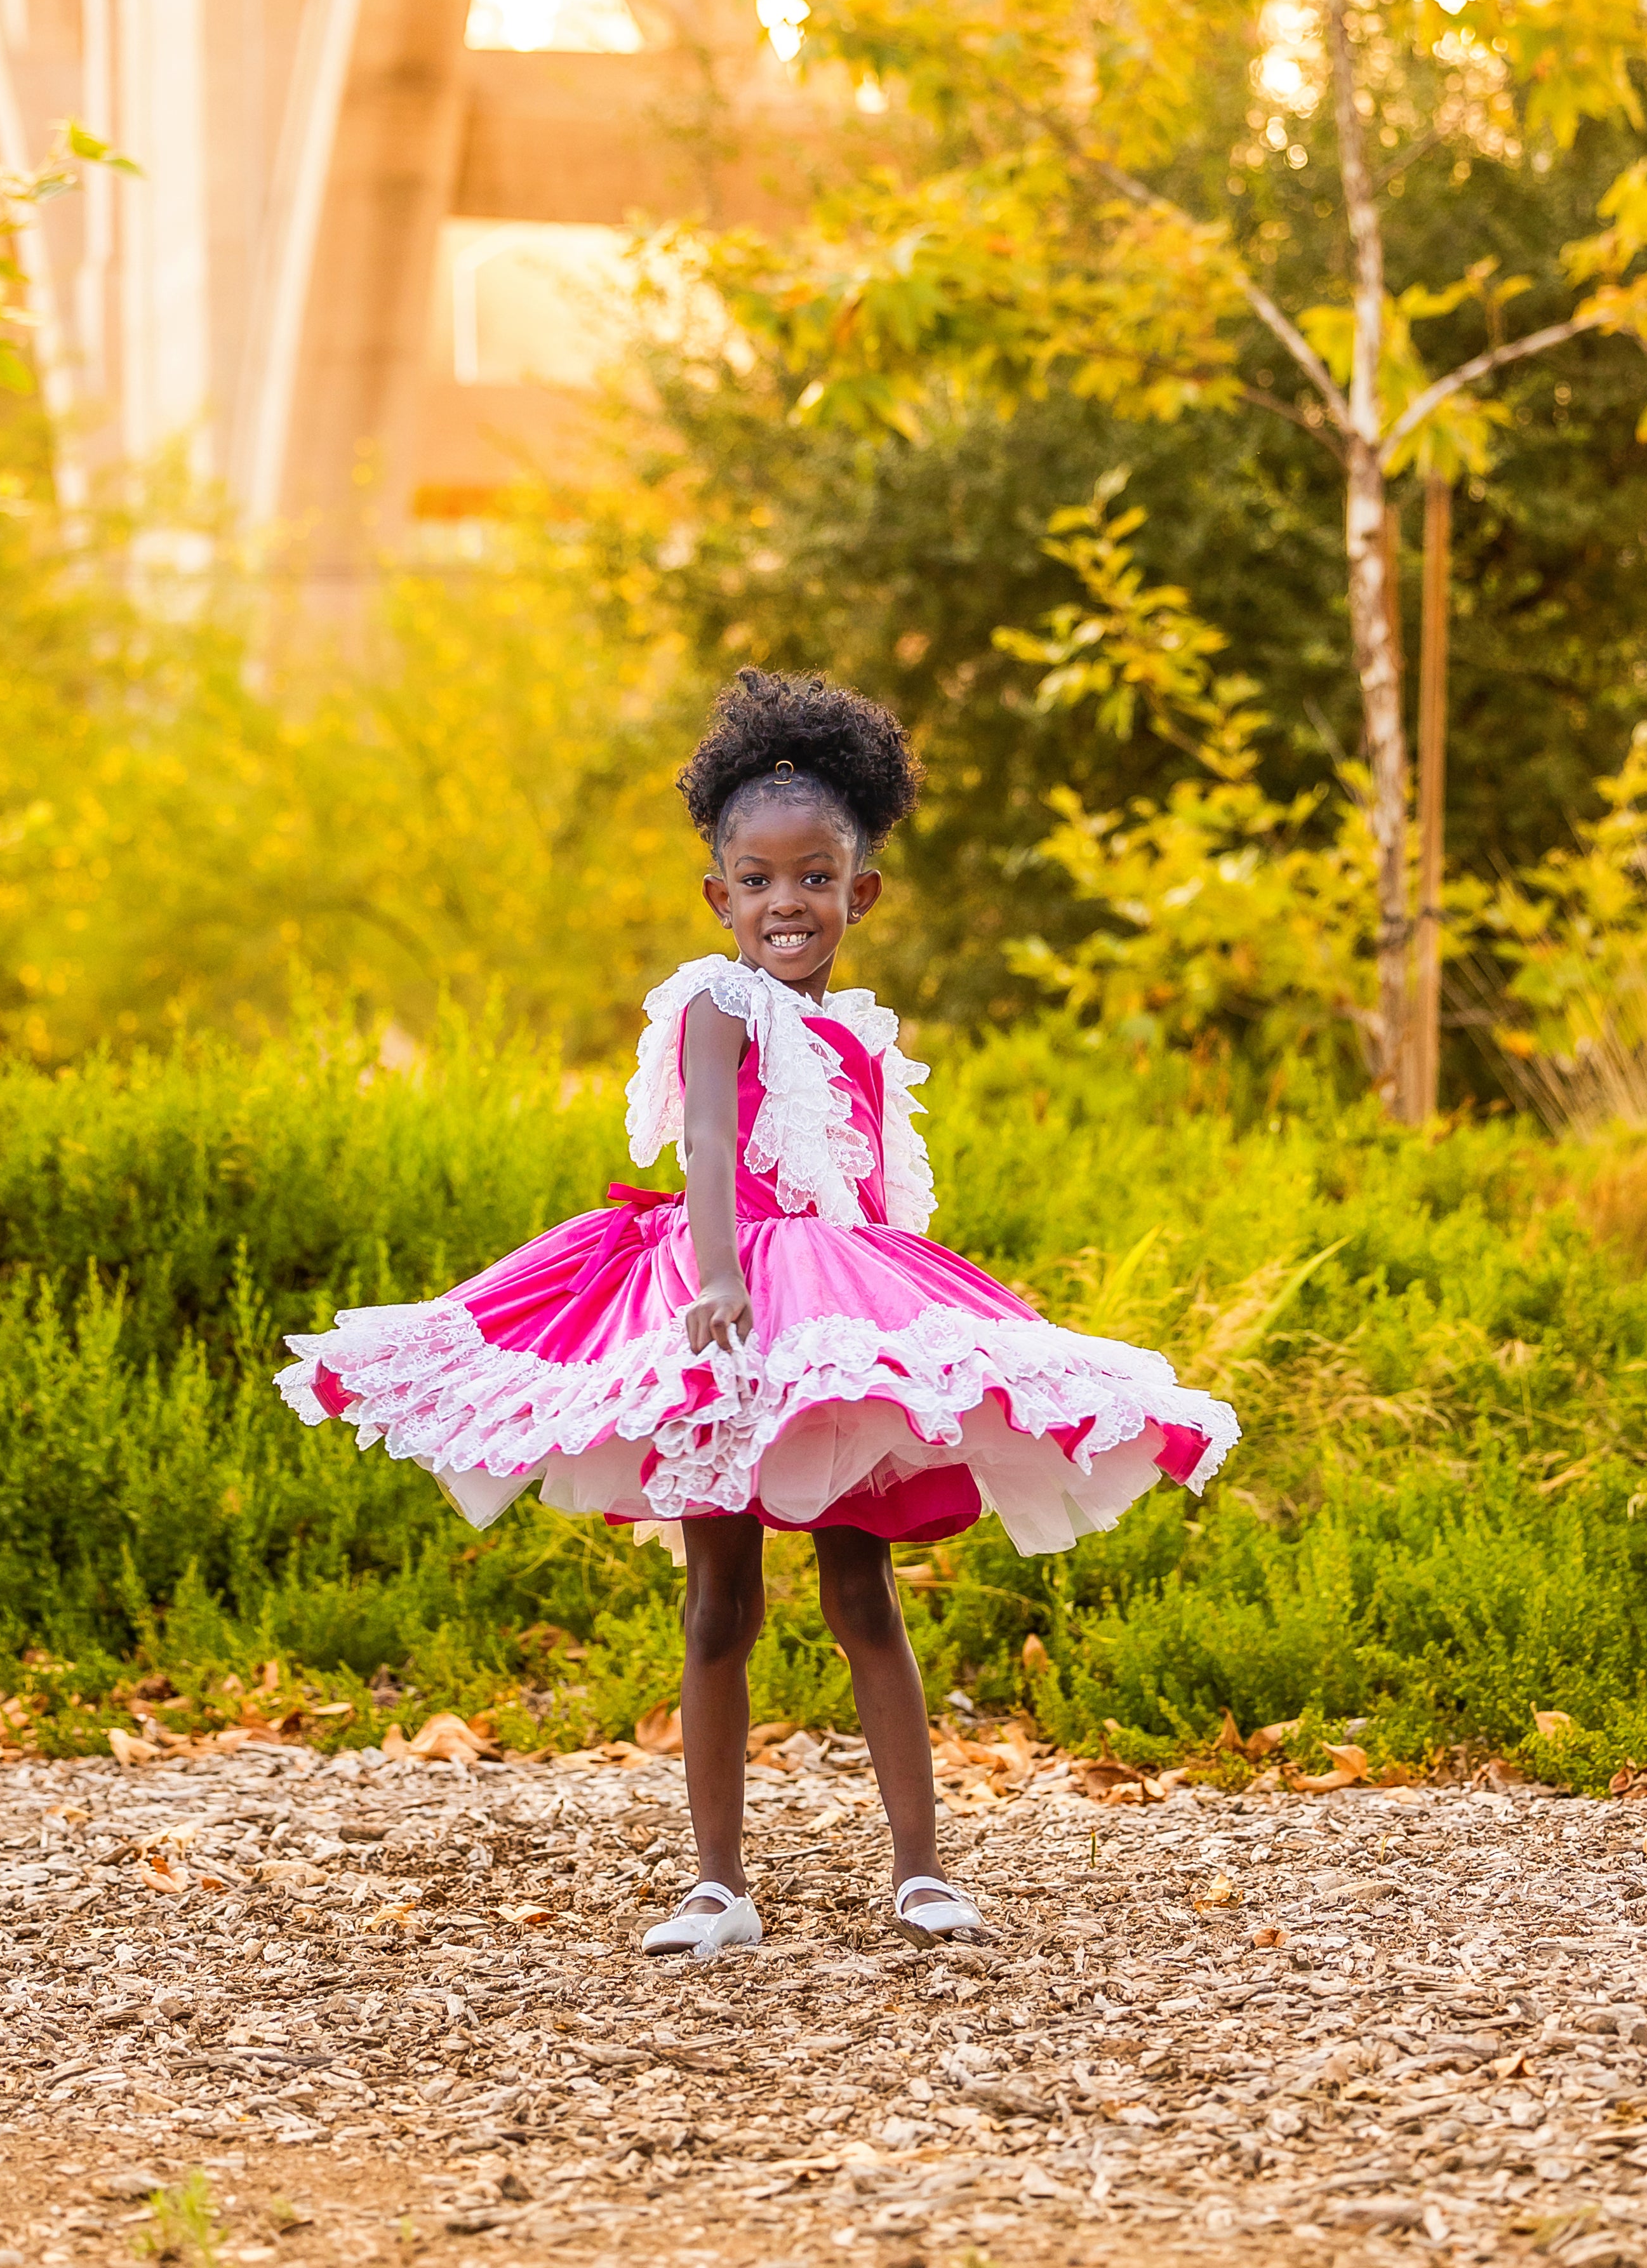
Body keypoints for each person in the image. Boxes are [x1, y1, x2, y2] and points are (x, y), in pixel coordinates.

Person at [279, 667, 1240, 1960]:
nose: (789, 902)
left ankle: (919, 1868)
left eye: (816, 875)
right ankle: (717, 1883)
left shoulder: (861, 1032)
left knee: (864, 1588)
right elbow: (715, 1141)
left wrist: (907, 1326)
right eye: (761, 878)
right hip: (723, 1309)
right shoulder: (715, 1001)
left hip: (835, 1316)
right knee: (719, 1597)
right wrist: (723, 1274)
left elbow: (871, 1205)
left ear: (861, 889)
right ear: (718, 891)